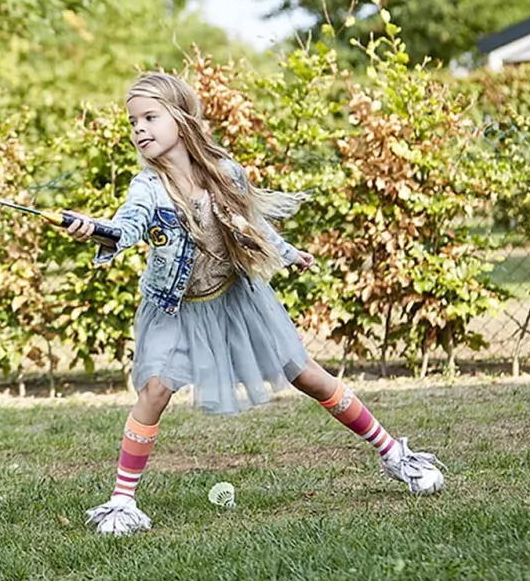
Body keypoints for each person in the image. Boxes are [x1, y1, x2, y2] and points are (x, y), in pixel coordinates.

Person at [62, 72, 446, 536]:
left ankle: (395, 455)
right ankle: (122, 502)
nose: (138, 129)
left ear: (181, 120)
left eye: (149, 117)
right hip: (174, 307)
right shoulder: (146, 188)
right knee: (155, 392)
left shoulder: (225, 174)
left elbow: (250, 224)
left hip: (237, 297)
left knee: (305, 373)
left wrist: (287, 253)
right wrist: (97, 230)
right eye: (132, 122)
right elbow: (127, 227)